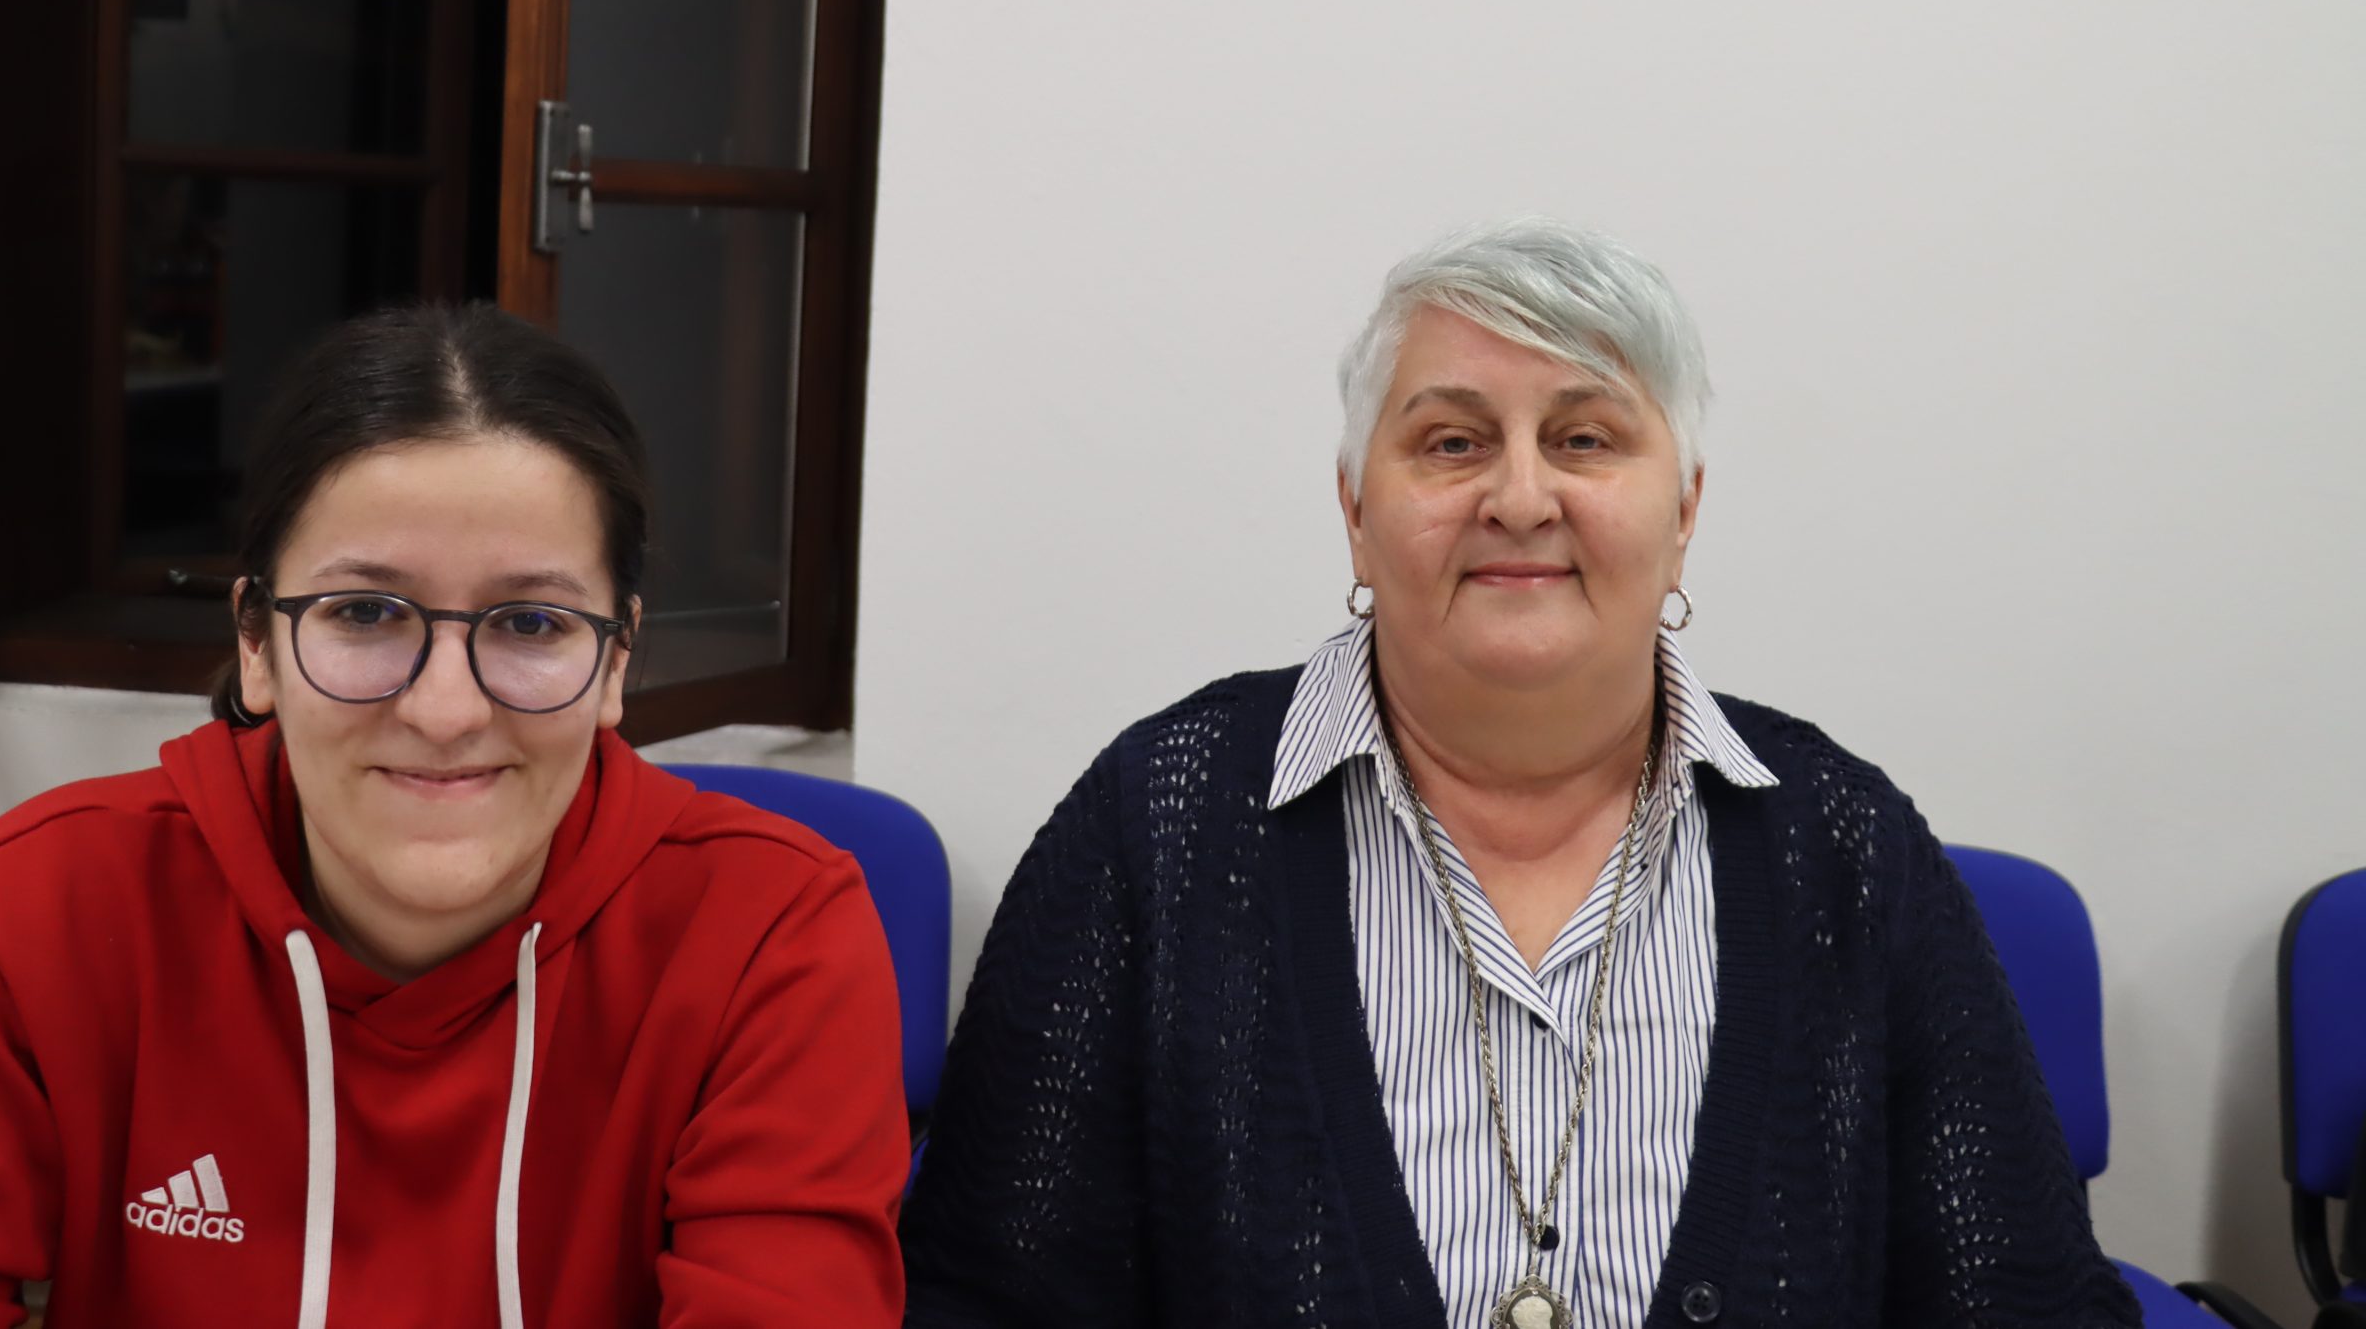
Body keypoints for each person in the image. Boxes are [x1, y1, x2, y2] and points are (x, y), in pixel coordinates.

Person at [902, 220, 2139, 1328]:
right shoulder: (1158, 827)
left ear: (1684, 512)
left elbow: (2026, 1301)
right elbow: (982, 1301)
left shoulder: (1846, 848)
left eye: (1583, 438)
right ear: (1354, 510)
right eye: (1451, 442)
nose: (1520, 495)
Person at [0, 304, 907, 1329]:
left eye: (531, 623)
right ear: (257, 642)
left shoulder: (771, 936)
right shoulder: (35, 909)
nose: (444, 710)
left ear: (617, 660)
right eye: (367, 612)